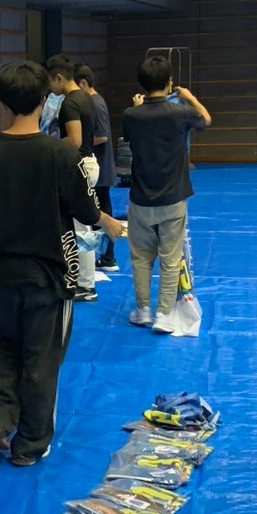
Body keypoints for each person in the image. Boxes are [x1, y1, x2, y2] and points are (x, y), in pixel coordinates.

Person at [0, 61, 123, 466]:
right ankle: (29, 445)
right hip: (49, 276)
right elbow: (85, 211)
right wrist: (104, 220)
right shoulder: (60, 155)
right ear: (44, 100)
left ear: (2, 101)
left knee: (2, 349)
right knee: (42, 359)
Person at [121, 56, 211, 333]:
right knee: (171, 258)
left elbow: (134, 135)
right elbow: (206, 120)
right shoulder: (180, 112)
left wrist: (139, 107)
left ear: (142, 84)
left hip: (141, 197)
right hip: (173, 196)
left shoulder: (131, 114)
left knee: (141, 257)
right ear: (169, 82)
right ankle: (163, 313)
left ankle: (143, 310)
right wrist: (190, 98)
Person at [48, 58, 102, 302]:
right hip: (88, 162)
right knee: (80, 226)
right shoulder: (85, 97)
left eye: (50, 82)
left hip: (80, 165)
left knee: (81, 229)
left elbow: (75, 140)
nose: (50, 89)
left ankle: (86, 285)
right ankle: (81, 280)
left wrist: (48, 146)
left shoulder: (70, 103)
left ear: (58, 78)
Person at [76, 64, 119, 272]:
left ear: (83, 83)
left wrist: (80, 142)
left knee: (102, 212)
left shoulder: (95, 103)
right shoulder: (93, 101)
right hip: (99, 166)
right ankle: (103, 256)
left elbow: (101, 136)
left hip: (99, 167)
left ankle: (108, 257)